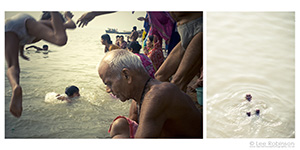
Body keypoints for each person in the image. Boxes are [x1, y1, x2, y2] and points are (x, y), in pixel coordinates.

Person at [97, 50, 203, 138]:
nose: (108, 90)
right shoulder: (140, 96)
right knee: (120, 125)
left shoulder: (157, 96)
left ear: (126, 75)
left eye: (109, 83)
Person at [5, 11, 76, 118]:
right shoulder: (44, 24)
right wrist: (67, 17)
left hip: (7, 28)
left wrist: (21, 52)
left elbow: (20, 37)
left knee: (12, 66)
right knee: (60, 39)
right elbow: (72, 25)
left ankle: (15, 86)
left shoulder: (34, 30)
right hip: (22, 22)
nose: (58, 29)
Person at [154, 12, 203, 93]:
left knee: (177, 82)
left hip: (199, 26)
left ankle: (177, 103)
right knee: (159, 77)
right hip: (183, 30)